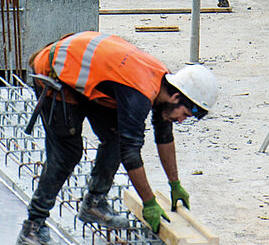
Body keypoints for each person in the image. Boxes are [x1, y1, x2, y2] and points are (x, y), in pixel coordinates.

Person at [16, 32, 217, 245]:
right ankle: (33, 227)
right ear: (176, 97)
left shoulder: (164, 88)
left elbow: (164, 135)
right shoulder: (139, 93)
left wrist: (174, 184)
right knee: (67, 154)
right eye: (185, 114)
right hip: (55, 72)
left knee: (116, 135)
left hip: (82, 78)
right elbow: (130, 153)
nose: (182, 121)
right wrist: (149, 202)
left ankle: (94, 204)